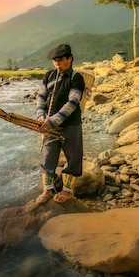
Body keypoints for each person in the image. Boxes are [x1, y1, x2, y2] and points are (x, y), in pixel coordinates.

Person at [35, 43, 85, 204]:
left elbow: (72, 103)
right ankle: (47, 190)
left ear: (70, 59)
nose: (57, 63)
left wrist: (53, 121)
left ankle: (67, 190)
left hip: (70, 124)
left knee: (73, 156)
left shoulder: (76, 77)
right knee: (48, 155)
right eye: (54, 60)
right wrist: (41, 117)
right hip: (49, 124)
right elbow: (41, 98)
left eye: (60, 59)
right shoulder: (49, 76)